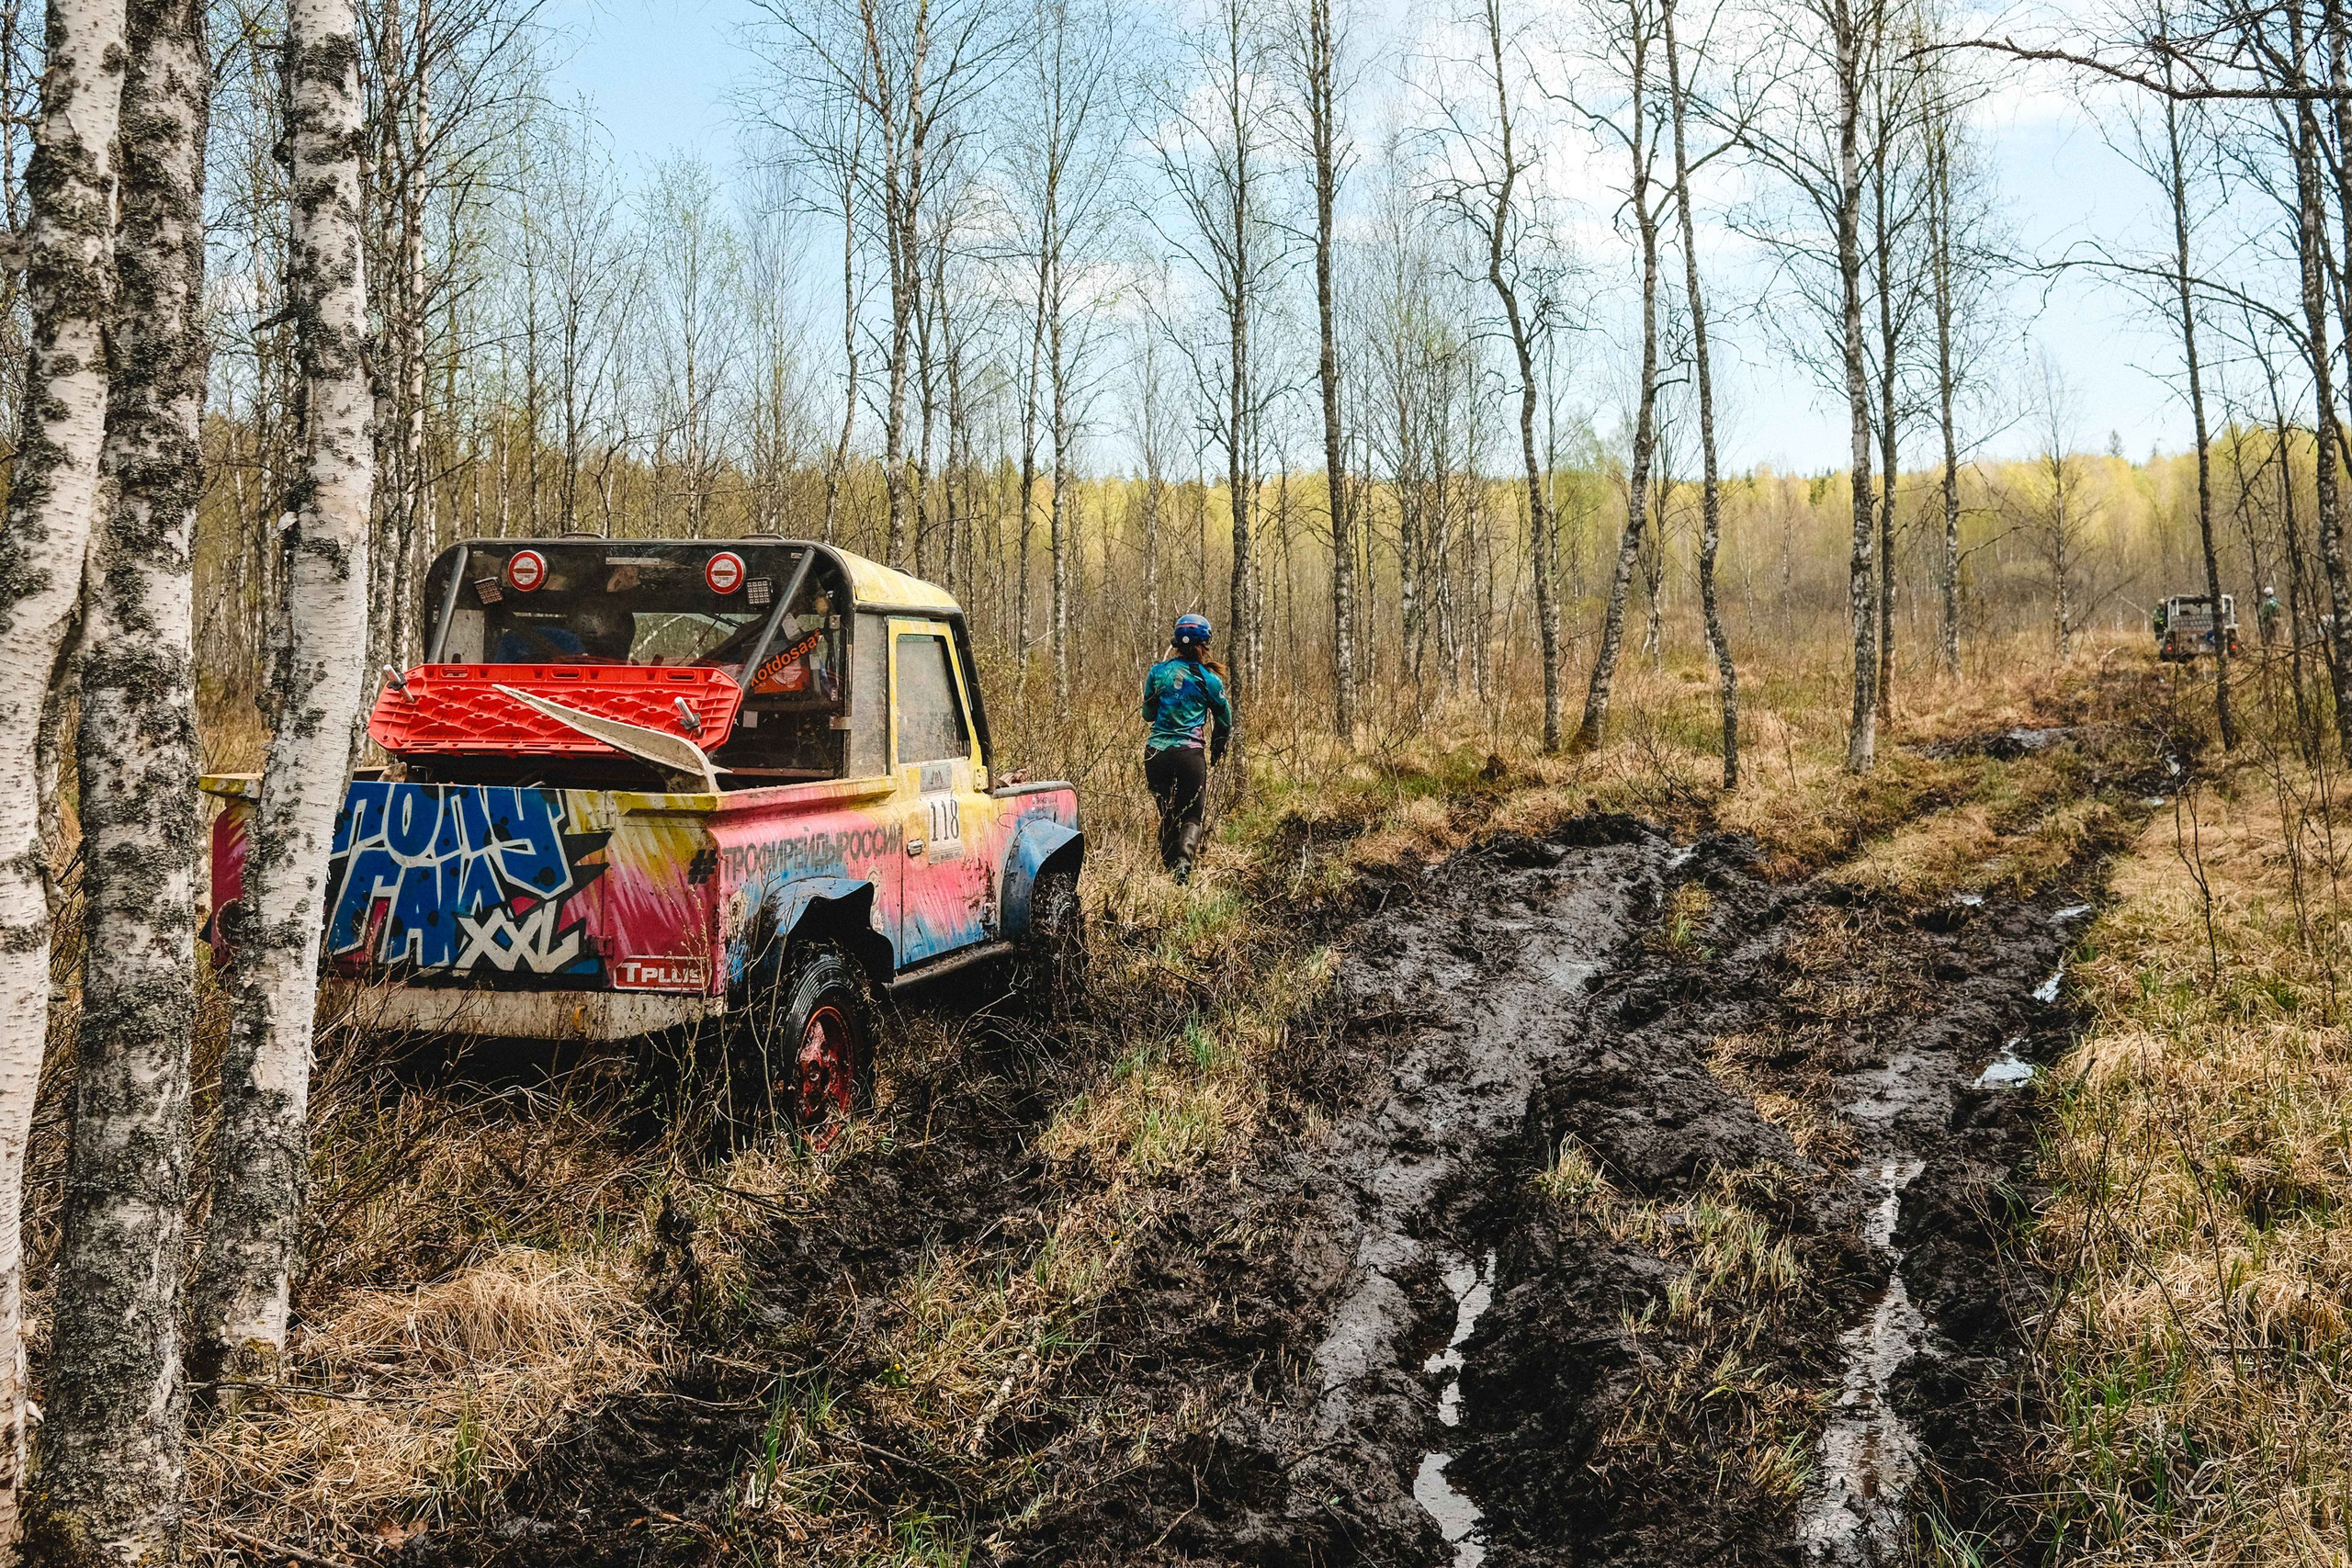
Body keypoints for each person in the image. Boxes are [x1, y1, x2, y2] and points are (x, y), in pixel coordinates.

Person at [1142, 613, 1234, 886]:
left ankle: (1168, 866)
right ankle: (1183, 864)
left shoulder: (1157, 673)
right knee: (1191, 814)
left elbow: (1148, 714)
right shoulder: (1210, 680)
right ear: (1205, 642)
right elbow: (1224, 719)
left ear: (1176, 642)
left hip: (1155, 754)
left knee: (1166, 811)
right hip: (1190, 756)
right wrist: (1218, 747)